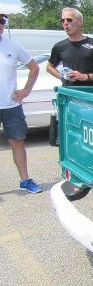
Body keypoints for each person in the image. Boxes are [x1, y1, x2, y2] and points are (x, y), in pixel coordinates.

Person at [0, 10, 43, 193]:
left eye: (2, 21)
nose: (0, 24)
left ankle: (25, 181)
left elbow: (34, 67)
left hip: (11, 105)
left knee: (18, 142)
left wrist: (26, 90)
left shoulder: (13, 46)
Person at [46, 7, 93, 85]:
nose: (65, 23)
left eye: (69, 20)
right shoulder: (59, 46)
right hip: (68, 93)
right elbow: (49, 67)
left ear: (80, 22)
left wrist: (86, 76)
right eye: (62, 20)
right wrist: (61, 76)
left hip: (90, 94)